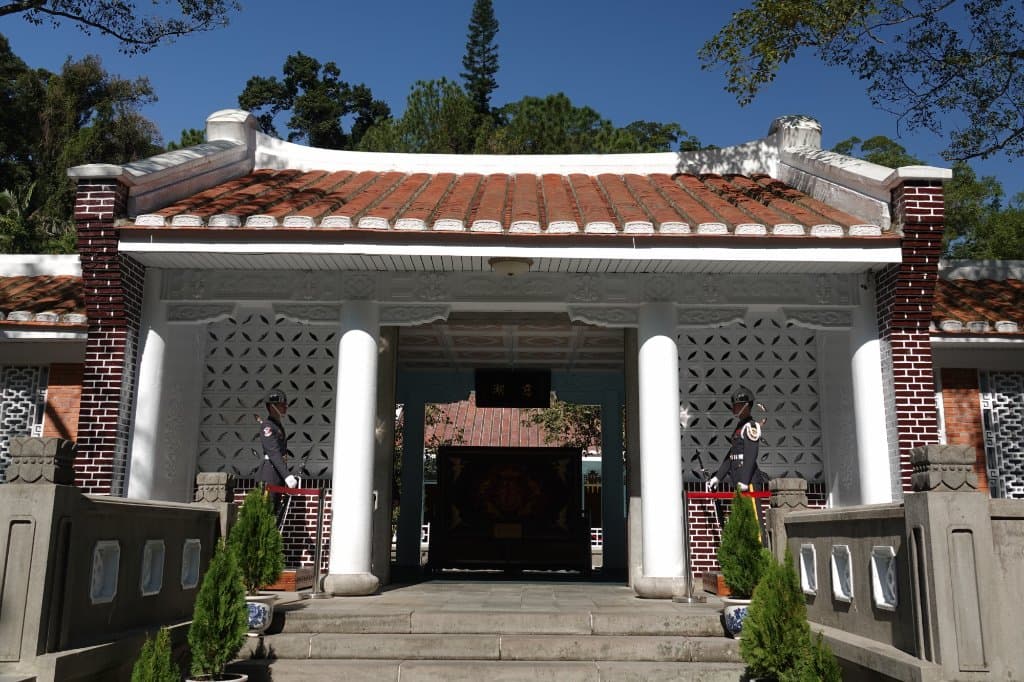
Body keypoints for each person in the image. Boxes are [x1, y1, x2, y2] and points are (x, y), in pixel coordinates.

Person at [705, 386, 768, 492]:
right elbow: (732, 455)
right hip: (738, 478)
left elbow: (751, 455)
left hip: (749, 481)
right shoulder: (740, 427)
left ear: (746, 406)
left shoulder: (750, 427)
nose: (733, 408)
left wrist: (744, 481)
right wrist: (718, 477)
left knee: (752, 509)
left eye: (737, 405)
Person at [256, 388, 298, 525]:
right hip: (269, 474)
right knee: (266, 514)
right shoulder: (267, 427)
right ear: (271, 406)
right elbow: (274, 453)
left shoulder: (277, 425)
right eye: (281, 404)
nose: (285, 407)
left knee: (274, 515)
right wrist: (286, 475)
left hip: (276, 473)